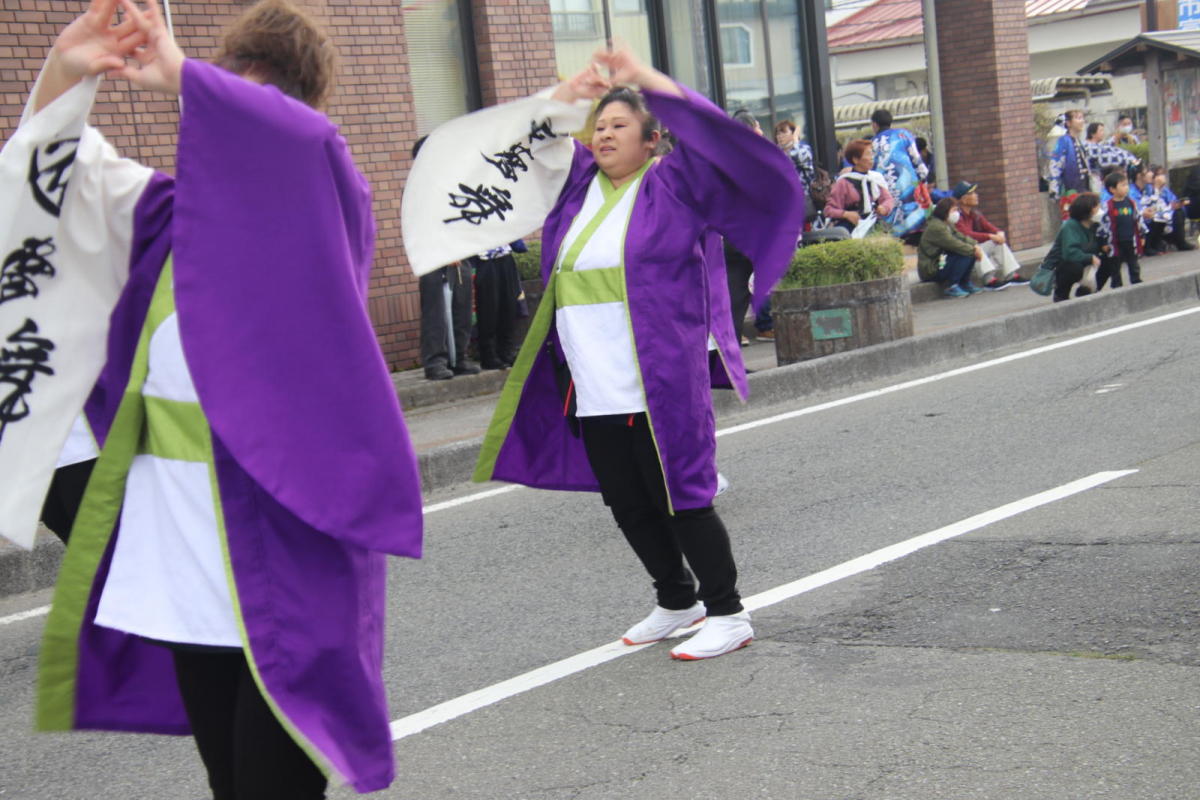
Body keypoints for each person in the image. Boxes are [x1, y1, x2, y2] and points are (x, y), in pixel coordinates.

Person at [7, 1, 424, 797]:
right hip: (183, 556)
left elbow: (301, 142)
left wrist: (179, 74)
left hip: (283, 536)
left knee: (274, 782)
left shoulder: (322, 200)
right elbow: (54, 178)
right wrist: (65, 66)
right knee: (229, 780)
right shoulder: (166, 216)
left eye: (242, 99)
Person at [461, 48, 804, 660]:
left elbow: (717, 143)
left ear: (652, 142)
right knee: (626, 500)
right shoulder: (575, 193)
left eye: (620, 125)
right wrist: (570, 89)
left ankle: (728, 611)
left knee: (683, 496)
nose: (604, 134)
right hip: (592, 379)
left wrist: (647, 80)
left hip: (661, 374)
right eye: (599, 126)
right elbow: (531, 140)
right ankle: (676, 598)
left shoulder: (675, 184)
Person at [411, 137, 483, 380]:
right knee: (437, 313)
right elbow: (420, 226)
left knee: (461, 309)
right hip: (434, 259)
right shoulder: (417, 188)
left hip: (458, 255)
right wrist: (443, 250)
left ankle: (459, 358)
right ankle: (435, 362)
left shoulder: (449, 183)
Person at [952, 181, 1026, 289]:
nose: (976, 195)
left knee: (996, 242)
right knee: (975, 246)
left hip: (974, 255)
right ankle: (988, 280)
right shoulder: (956, 216)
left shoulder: (975, 214)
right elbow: (967, 235)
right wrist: (991, 236)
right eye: (971, 193)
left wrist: (998, 233)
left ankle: (1011, 275)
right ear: (963, 199)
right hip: (962, 257)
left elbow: (988, 227)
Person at [470, 240, 527, 369]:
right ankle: (488, 355)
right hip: (483, 261)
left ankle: (506, 352)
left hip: (505, 258)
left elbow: (519, 245)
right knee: (488, 308)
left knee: (509, 305)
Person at [869, 109, 928, 235]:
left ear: (875, 124)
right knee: (915, 222)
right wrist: (923, 177)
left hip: (885, 191)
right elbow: (916, 158)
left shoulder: (871, 144)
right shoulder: (903, 133)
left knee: (893, 227)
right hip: (910, 186)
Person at [824, 138, 894, 235]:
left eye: (872, 153)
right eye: (868, 154)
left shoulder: (875, 178)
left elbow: (888, 199)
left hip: (873, 224)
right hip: (851, 227)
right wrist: (846, 214)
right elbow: (829, 210)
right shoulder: (843, 182)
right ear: (856, 159)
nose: (872, 157)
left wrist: (884, 207)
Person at [917, 197, 983, 298]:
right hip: (931, 269)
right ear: (945, 212)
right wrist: (974, 250)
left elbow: (960, 237)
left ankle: (964, 283)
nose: (957, 213)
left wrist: (975, 245)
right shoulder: (936, 227)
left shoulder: (947, 224)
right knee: (965, 253)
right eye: (954, 210)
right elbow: (954, 244)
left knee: (969, 251)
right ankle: (952, 286)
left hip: (940, 262)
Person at [1045, 192, 1104, 302]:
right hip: (1064, 264)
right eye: (1096, 207)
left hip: (1086, 261)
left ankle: (1087, 289)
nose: (1100, 210)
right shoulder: (1070, 226)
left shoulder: (1096, 225)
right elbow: (1070, 253)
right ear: (1087, 210)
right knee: (1074, 267)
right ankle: (1061, 293)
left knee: (1109, 259)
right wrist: (1090, 258)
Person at [1096, 170, 1144, 290]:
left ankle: (1136, 279)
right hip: (1115, 242)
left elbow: (1138, 220)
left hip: (1130, 239)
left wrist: (1142, 235)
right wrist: (1104, 242)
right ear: (1112, 189)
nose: (1126, 188)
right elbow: (1103, 225)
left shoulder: (1131, 203)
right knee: (1115, 264)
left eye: (1127, 184)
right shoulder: (1108, 206)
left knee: (1133, 262)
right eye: (1123, 185)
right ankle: (1116, 284)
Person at [1143, 165, 1195, 253]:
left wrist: (1178, 204)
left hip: (1168, 214)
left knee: (1179, 211)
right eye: (1159, 175)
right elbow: (1152, 204)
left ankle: (1180, 241)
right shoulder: (1148, 189)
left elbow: (1172, 200)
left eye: (1163, 174)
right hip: (1156, 216)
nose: (1162, 177)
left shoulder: (1165, 189)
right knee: (1170, 215)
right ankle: (1171, 243)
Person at [1082, 122, 1139, 191]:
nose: (1103, 133)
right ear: (1092, 133)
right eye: (1101, 130)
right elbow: (1106, 159)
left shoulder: (1100, 146)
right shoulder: (1089, 147)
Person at [1047, 110, 1089, 200]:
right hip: (1070, 189)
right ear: (1069, 123)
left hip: (1083, 187)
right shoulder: (1064, 141)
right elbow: (1055, 164)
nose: (1082, 121)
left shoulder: (1079, 141)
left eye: (1082, 118)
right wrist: (1055, 189)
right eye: (1078, 118)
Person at [774, 118, 815, 187]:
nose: (780, 136)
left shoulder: (803, 147)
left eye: (784, 132)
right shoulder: (776, 152)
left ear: (793, 133)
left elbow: (805, 160)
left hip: (803, 191)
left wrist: (795, 139)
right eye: (778, 134)